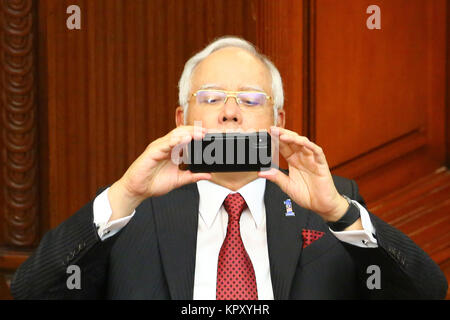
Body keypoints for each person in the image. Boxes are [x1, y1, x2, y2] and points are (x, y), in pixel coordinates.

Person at [11, 36, 447, 300]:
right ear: (182, 120)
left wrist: (340, 214)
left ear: (278, 121)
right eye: (213, 97)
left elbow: (427, 292)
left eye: (252, 100)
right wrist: (125, 195)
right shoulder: (133, 208)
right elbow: (31, 291)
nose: (231, 113)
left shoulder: (331, 203)